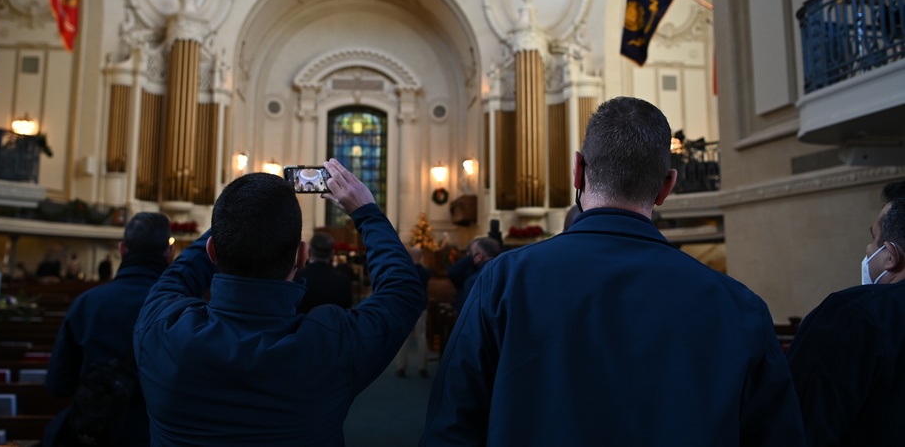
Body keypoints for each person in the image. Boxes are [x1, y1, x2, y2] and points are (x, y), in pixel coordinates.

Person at [422, 96, 805, 446]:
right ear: (667, 186)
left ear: (577, 170)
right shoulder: (740, 308)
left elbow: (452, 427)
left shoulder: (503, 282)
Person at [133, 159, 426, 446]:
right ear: (301, 256)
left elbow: (177, 275)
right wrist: (367, 213)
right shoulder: (330, 345)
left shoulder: (161, 328)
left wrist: (239, 216)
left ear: (212, 251)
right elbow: (403, 292)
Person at [44, 212, 174, 447]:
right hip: (156, 437)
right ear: (169, 253)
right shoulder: (181, 307)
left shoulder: (86, 303)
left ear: (122, 249)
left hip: (97, 432)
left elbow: (57, 385)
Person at [786, 197, 905, 446]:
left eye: (874, 238)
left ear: (891, 256)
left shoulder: (854, 315)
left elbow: (798, 422)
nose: (868, 249)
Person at [395, 245, 432, 377]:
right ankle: (423, 367)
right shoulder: (426, 272)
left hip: (406, 306)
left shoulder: (405, 270)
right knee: (421, 336)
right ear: (421, 256)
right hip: (421, 306)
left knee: (404, 338)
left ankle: (401, 367)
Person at [295, 232, 352, 313]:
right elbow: (346, 311)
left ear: (310, 251)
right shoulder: (343, 280)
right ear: (332, 253)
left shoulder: (298, 277)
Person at [450, 237, 500, 311]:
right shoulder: (508, 275)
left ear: (479, 256)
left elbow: (470, 312)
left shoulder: (473, 281)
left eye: (472, 254)